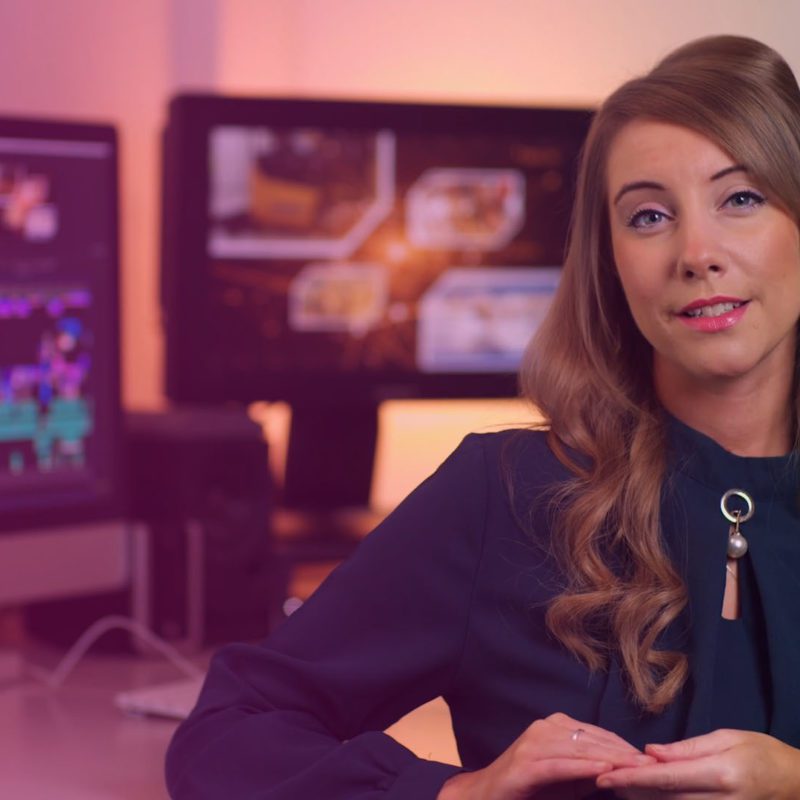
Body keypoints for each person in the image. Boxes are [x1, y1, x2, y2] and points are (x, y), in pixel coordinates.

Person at [165, 34, 800, 799]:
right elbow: (226, 734)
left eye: (740, 198)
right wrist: (452, 794)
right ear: (609, 263)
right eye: (649, 216)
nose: (697, 252)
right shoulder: (506, 496)